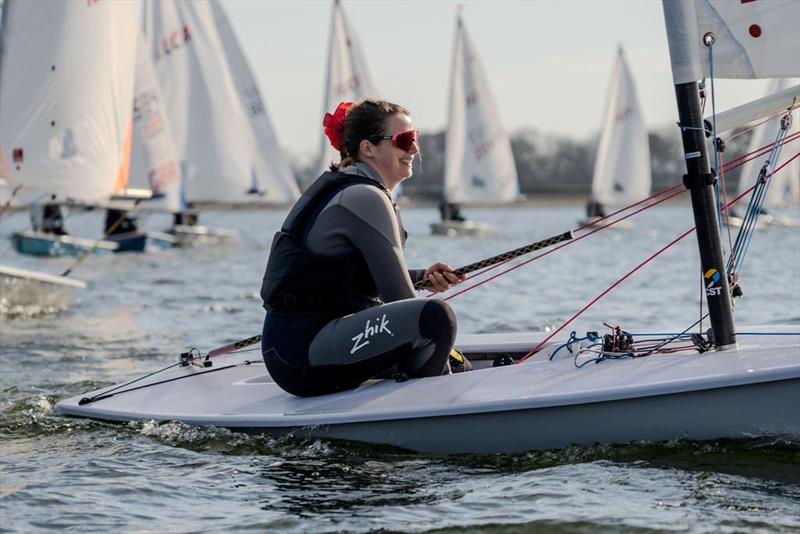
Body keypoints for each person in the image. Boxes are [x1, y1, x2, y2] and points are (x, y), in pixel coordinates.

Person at [260, 99, 467, 397]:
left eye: (415, 138)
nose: (414, 150)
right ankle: (439, 406)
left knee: (441, 342)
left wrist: (422, 275)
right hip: (301, 354)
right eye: (404, 140)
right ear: (368, 148)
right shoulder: (364, 196)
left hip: (297, 348)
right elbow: (401, 300)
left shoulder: (354, 187)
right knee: (435, 318)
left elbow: (351, 276)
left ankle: (436, 388)